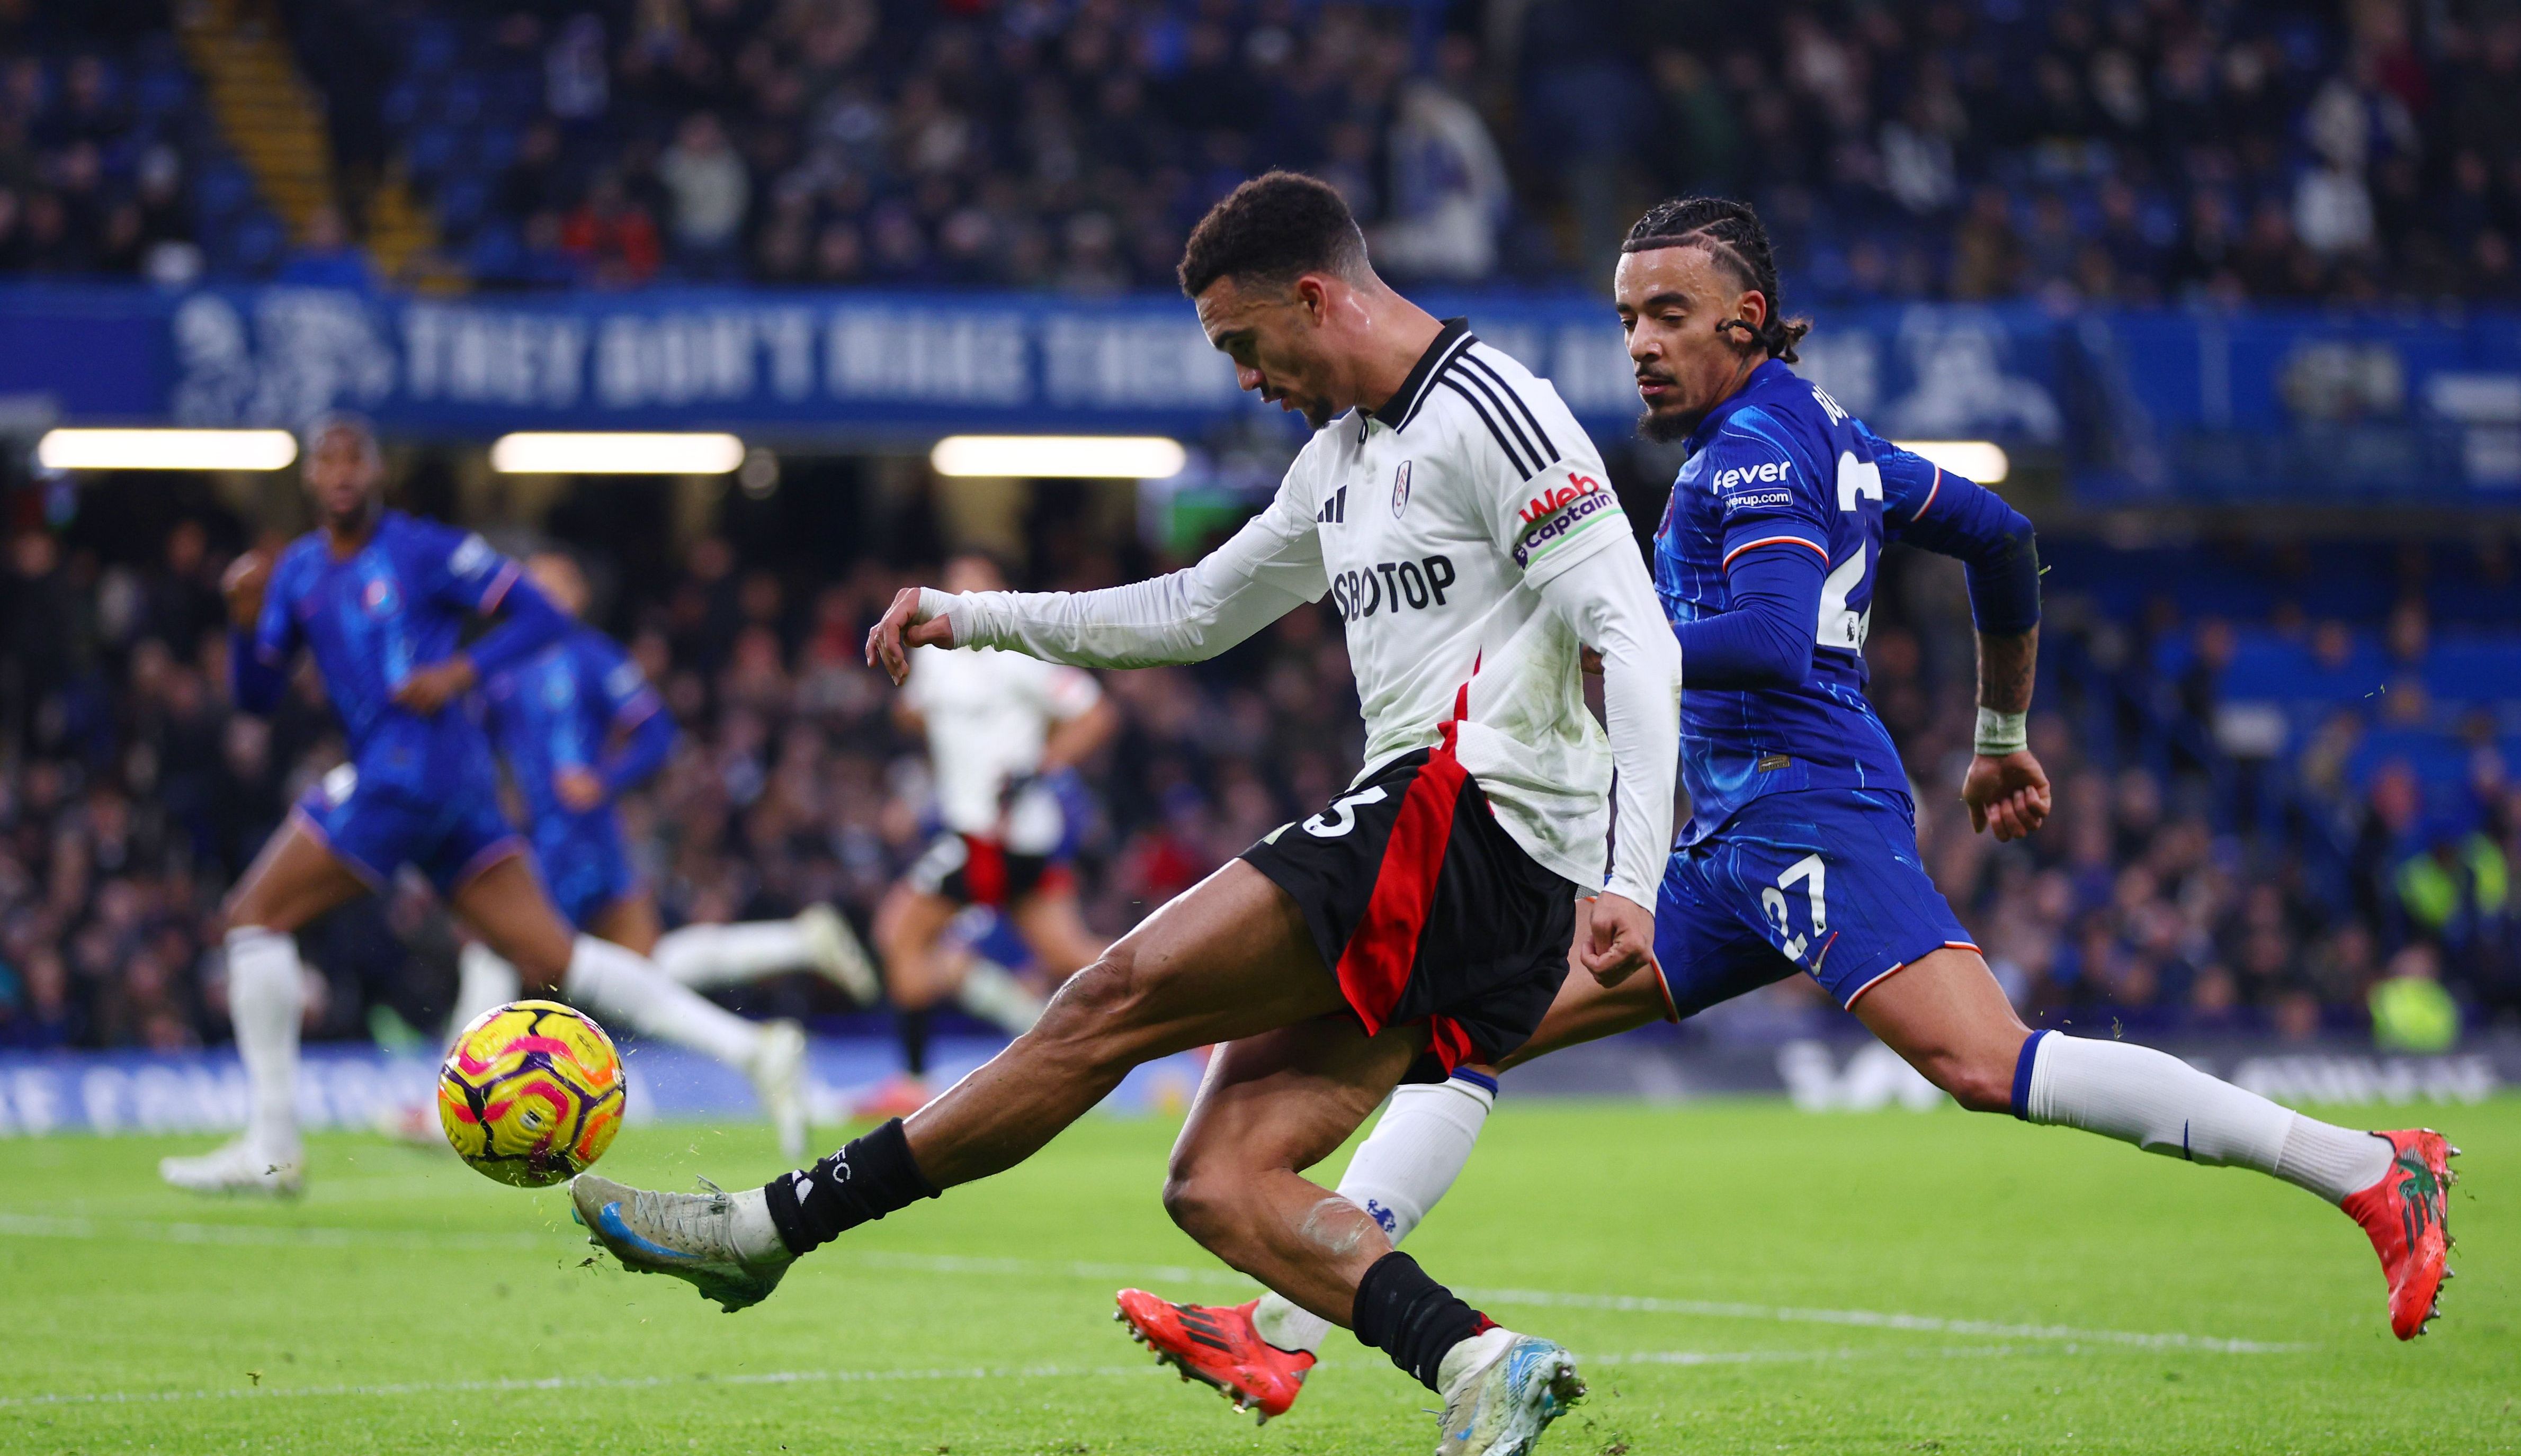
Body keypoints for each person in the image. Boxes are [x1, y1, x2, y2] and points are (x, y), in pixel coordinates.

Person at [1112, 195, 2461, 1421]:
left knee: (1984, 1063)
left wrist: (1598, 642)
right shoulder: (1819, 431)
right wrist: (1998, 737)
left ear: (1745, 318)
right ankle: (1285, 1327)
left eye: (1670, 315)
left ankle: (2366, 1168)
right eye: (1627, 318)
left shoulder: (1754, 448)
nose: (1641, 345)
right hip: (1725, 835)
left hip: (1807, 808)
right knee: (1468, 1032)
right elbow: (1995, 537)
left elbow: (1763, 637)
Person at [564, 172, 1682, 1456]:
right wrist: (973, 617)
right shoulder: (1339, 459)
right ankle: (1480, 1360)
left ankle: (768, 1228)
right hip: (1447, 860)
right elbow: (1193, 611)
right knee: (1217, 1180)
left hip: (1467, 817)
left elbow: (1635, 638)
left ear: (1313, 297)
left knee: (1108, 996)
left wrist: (1630, 876)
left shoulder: (1492, 409)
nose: (1245, 379)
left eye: (1244, 343)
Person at [158, 416, 809, 1194]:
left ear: (379, 471)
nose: (341, 473)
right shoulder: (298, 571)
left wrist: (458, 672)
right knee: (558, 956)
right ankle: (754, 1051)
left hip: (408, 775)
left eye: (355, 458)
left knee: (252, 917)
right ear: (309, 477)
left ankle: (271, 1148)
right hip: (451, 792)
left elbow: (540, 612)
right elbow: (256, 697)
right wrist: (241, 625)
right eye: (327, 460)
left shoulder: (422, 549)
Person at [432, 549, 868, 1161]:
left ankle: (453, 1101)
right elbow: (472, 742)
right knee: (641, 972)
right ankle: (788, 963)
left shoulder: (593, 657)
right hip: (540, 838)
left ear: (578, 597)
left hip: (582, 840)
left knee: (506, 947)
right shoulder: (500, 668)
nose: (542, 594)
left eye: (555, 583)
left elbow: (657, 733)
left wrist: (604, 779)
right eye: (533, 584)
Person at [862, 550, 1116, 1118]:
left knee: (898, 935)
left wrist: (1040, 764)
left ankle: (914, 1079)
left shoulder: (1019, 652)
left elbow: (1095, 713)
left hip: (997, 834)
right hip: (990, 831)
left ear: (1001, 593)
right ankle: (1193, 1013)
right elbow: (915, 713)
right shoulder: (937, 659)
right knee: (1071, 954)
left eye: (976, 583)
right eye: (954, 583)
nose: (963, 594)